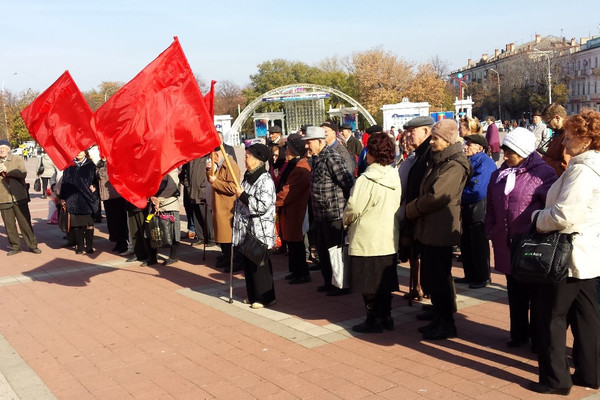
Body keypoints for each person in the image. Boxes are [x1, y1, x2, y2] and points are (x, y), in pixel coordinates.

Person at [528, 109, 600, 395]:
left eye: (573, 135)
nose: (567, 140)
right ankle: (591, 372)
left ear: (589, 139)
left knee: (550, 318)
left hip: (567, 256)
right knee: (586, 317)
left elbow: (563, 215)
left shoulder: (582, 170)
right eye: (568, 134)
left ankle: (555, 379)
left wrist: (536, 218)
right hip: (585, 253)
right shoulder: (589, 166)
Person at [485, 128, 557, 350]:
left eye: (510, 152)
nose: (505, 156)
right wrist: (491, 229)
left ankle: (537, 337)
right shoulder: (500, 174)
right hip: (506, 241)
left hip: (530, 243)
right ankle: (518, 333)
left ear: (524, 151)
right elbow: (490, 205)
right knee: (514, 292)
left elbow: (550, 206)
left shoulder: (544, 174)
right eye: (504, 151)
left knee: (535, 296)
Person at [405, 119, 470, 340]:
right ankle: (439, 318)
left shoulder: (454, 164)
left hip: (441, 228)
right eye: (432, 137)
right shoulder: (440, 160)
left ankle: (446, 323)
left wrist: (412, 209)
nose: (432, 141)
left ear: (448, 139)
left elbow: (436, 196)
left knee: (440, 278)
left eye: (436, 138)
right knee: (434, 277)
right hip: (430, 227)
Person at [344, 133, 401, 333]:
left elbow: (354, 207)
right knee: (384, 281)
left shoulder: (366, 179)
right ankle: (386, 316)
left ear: (371, 153)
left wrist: (345, 222)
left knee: (368, 283)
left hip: (367, 238)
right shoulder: (394, 175)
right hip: (388, 236)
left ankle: (373, 319)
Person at [303, 126, 355, 295]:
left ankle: (340, 285)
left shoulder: (331, 157)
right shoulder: (317, 158)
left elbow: (348, 182)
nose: (306, 146)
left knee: (335, 253)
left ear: (319, 141)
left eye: (309, 142)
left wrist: (342, 205)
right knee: (324, 253)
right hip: (320, 216)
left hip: (334, 215)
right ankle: (329, 281)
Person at [233, 144, 277, 309]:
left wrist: (242, 196)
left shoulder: (264, 180)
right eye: (245, 155)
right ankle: (253, 295)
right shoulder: (248, 176)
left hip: (260, 229)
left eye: (249, 156)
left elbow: (261, 205)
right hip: (246, 227)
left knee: (260, 264)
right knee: (249, 262)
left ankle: (265, 297)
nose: (246, 158)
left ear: (259, 160)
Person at [399, 116, 435, 302]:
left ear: (426, 132)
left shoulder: (430, 153)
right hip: (415, 213)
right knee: (416, 253)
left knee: (427, 259)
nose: (408, 136)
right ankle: (420, 289)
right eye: (407, 132)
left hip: (425, 216)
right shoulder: (420, 153)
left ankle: (427, 292)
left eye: (412, 131)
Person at [276, 134, 311, 284]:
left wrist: (274, 201)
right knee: (292, 242)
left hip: (296, 210)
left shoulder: (301, 168)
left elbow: (288, 191)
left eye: (288, 149)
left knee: (296, 243)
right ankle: (296, 271)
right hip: (291, 210)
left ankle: (302, 273)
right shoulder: (294, 165)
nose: (286, 152)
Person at [0, 139, 41, 255]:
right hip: (3, 198)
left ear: (8, 149)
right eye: (0, 148)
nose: (1, 150)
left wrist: (7, 171)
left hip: (19, 197)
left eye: (4, 147)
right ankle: (15, 247)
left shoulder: (17, 159)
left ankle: (32, 245)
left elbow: (22, 173)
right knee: (9, 225)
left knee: (25, 223)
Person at [59, 150, 99, 255]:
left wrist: (94, 186)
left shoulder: (91, 165)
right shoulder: (69, 166)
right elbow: (64, 183)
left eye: (81, 151)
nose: (78, 153)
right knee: (76, 225)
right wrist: (62, 197)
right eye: (76, 151)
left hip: (87, 199)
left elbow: (96, 180)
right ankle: (80, 246)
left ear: (85, 152)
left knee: (89, 224)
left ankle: (89, 246)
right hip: (72, 199)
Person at [207, 146, 241, 270]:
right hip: (220, 204)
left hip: (227, 206)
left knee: (228, 236)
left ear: (216, 154)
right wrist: (209, 171)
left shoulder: (230, 165)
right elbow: (212, 180)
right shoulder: (221, 165)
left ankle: (234, 260)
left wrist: (215, 181)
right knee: (223, 235)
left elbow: (233, 187)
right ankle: (226, 256)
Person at [143, 169, 181, 266]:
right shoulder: (153, 168)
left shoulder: (172, 168)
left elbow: (172, 187)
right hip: (154, 204)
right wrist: (151, 197)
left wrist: (159, 200)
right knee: (150, 230)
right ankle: (152, 257)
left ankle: (173, 256)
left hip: (168, 204)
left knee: (173, 231)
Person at [97, 158, 128, 253]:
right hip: (106, 196)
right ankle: (117, 241)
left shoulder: (115, 160)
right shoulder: (100, 163)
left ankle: (123, 242)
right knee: (111, 221)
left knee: (120, 220)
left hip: (116, 195)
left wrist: (102, 170)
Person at [541, 103, 569, 177]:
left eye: (548, 122)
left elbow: (564, 166)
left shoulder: (568, 135)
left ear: (557, 118)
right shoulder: (559, 133)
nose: (547, 126)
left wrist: (543, 160)